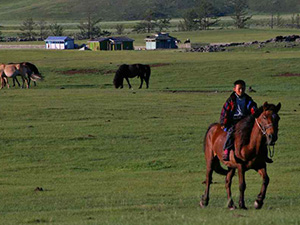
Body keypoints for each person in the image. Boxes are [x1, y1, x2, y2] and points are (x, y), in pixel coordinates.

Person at [220, 80, 273, 163]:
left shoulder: (248, 99)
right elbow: (225, 111)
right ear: (234, 89)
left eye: (243, 89)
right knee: (230, 132)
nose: (241, 91)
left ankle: (263, 153)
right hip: (234, 120)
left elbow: (252, 107)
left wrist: (255, 113)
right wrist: (223, 122)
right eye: (239, 89)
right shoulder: (231, 100)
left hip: (246, 120)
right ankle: (226, 150)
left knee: (259, 132)